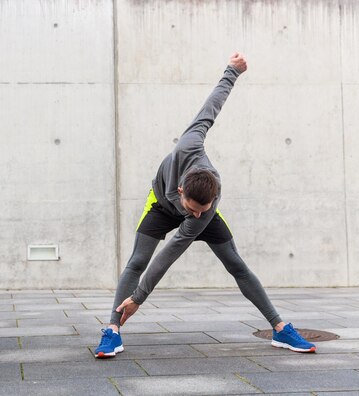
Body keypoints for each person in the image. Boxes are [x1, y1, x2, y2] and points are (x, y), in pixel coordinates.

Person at [94, 53, 316, 358]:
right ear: (182, 189)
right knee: (137, 261)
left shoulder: (207, 206)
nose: (196, 215)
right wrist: (232, 71)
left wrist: (139, 298)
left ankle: (280, 329)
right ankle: (112, 331)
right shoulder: (189, 143)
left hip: (193, 205)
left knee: (236, 264)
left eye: (203, 210)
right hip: (160, 205)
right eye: (193, 208)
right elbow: (211, 107)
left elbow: (172, 252)